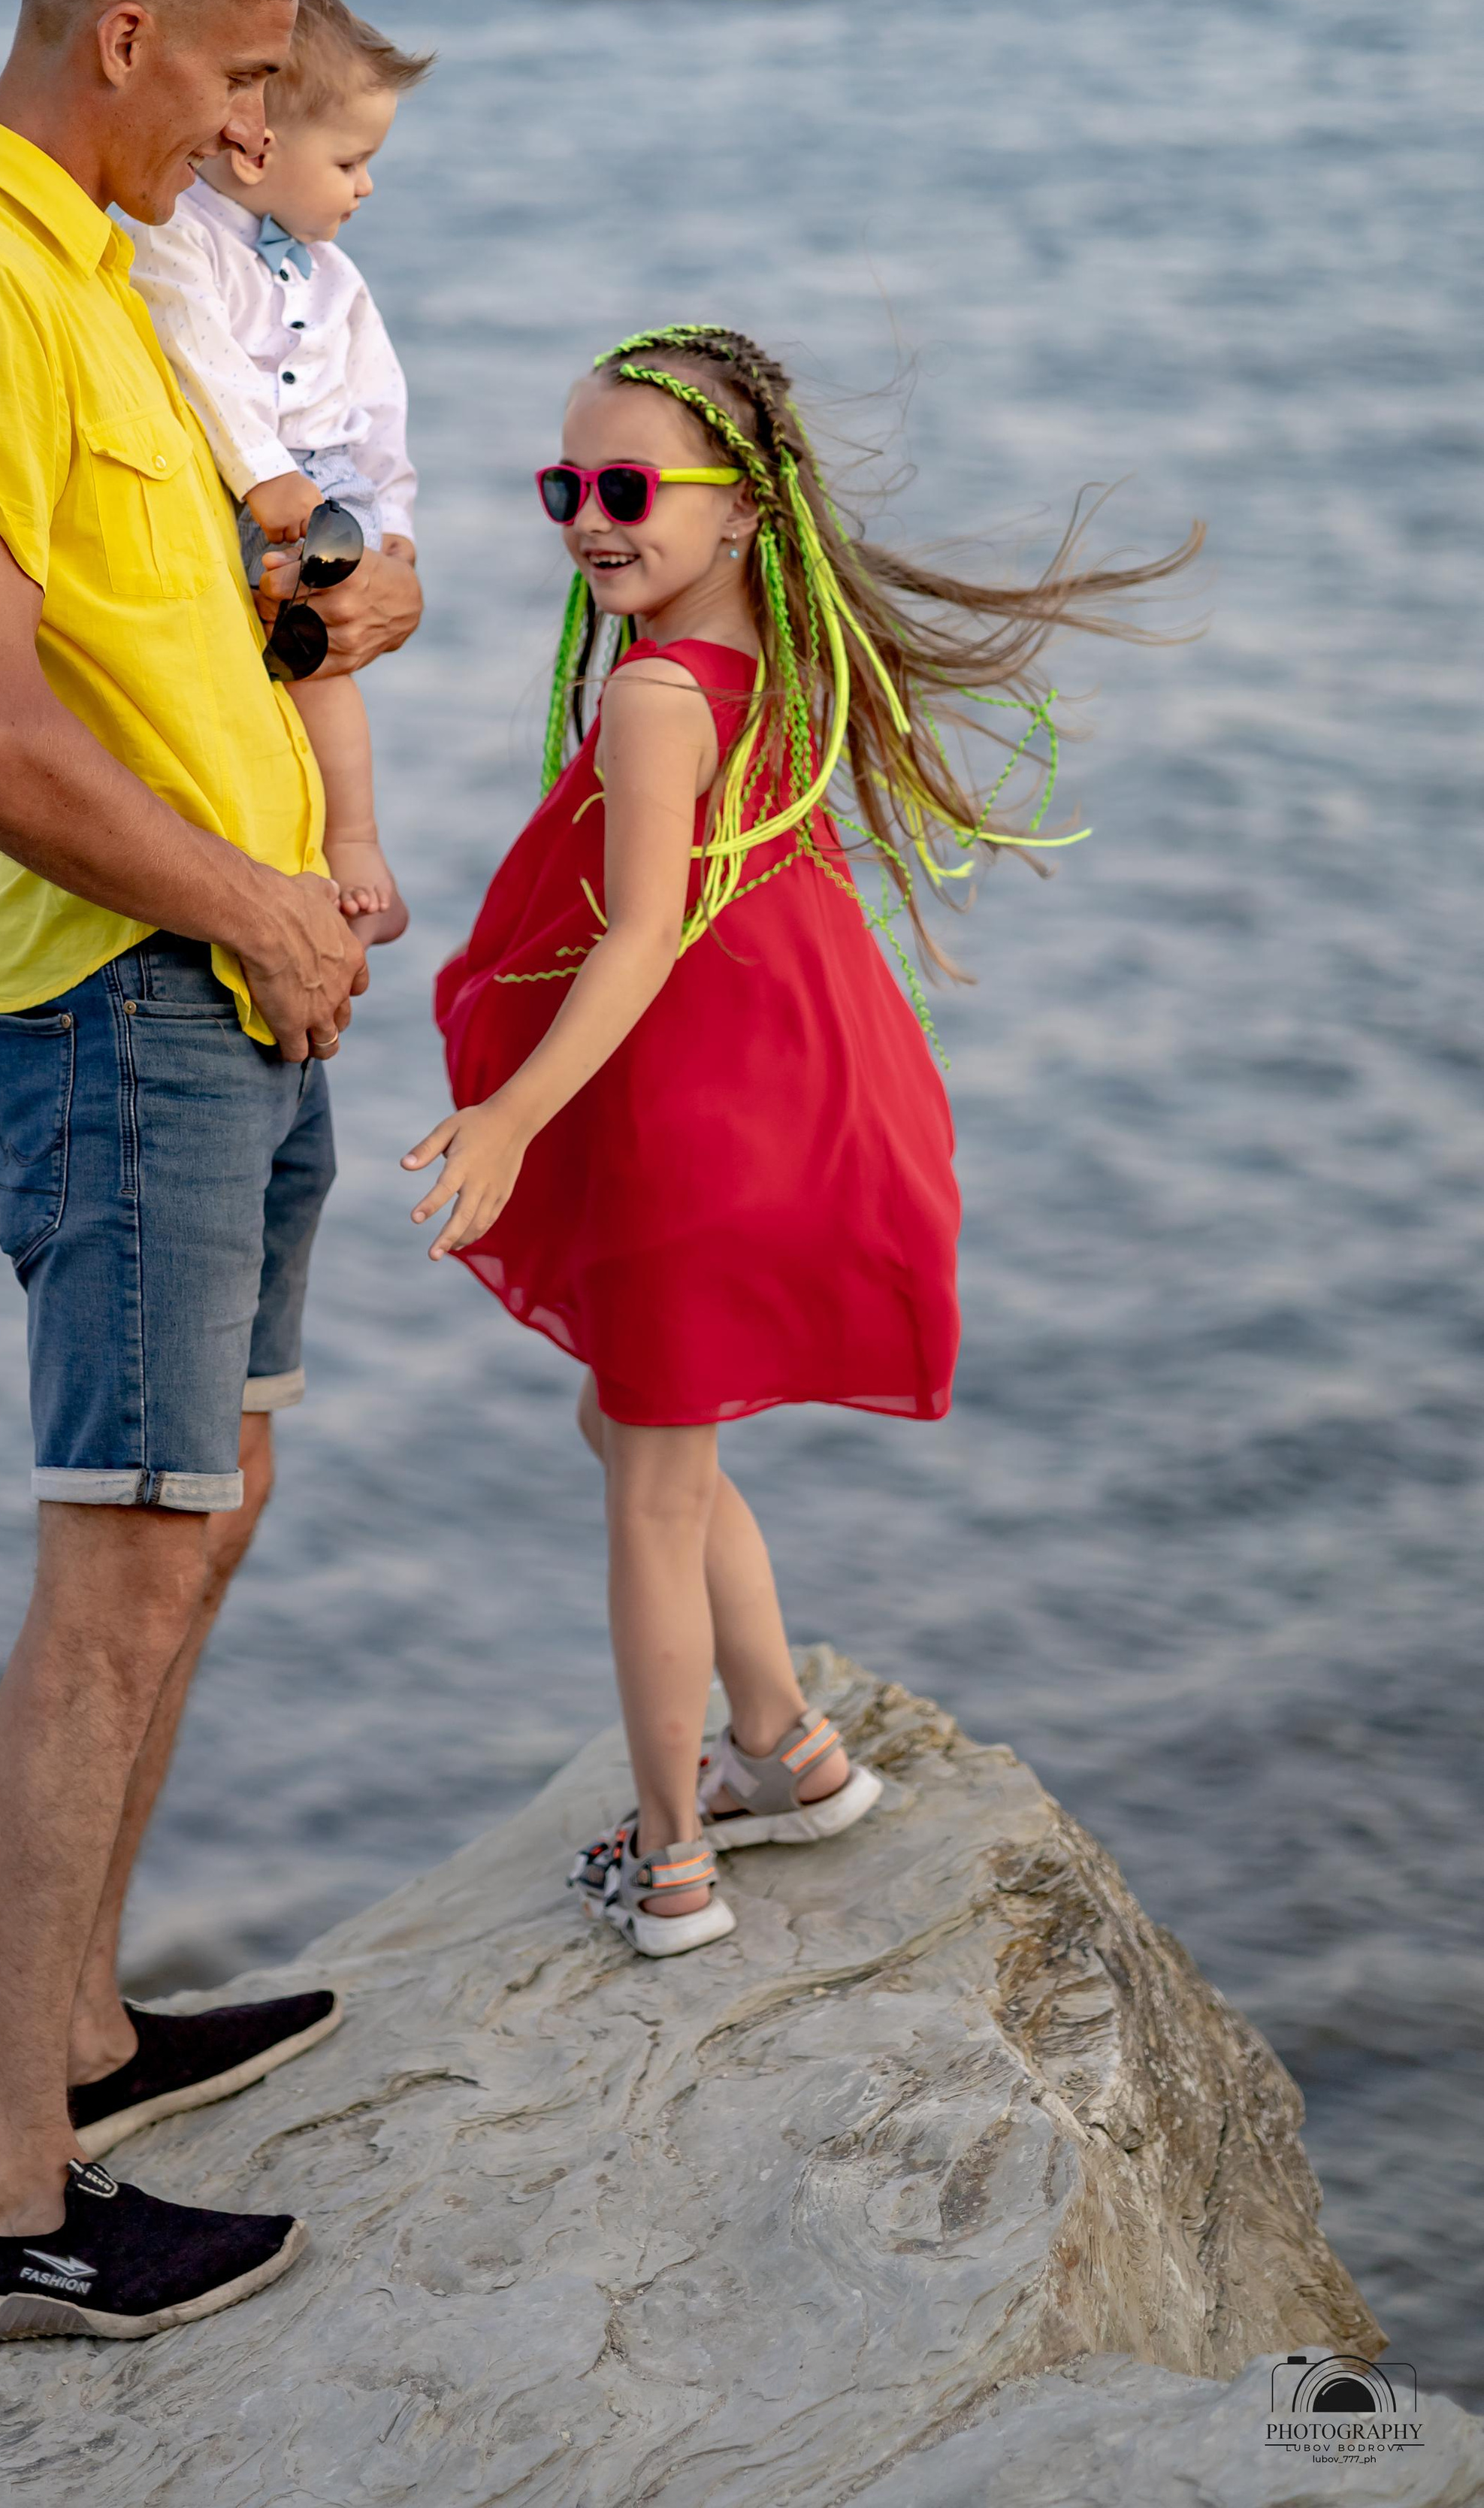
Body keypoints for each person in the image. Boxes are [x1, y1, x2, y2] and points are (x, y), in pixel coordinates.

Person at [0, 0, 421, 2342]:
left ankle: (81, 2033)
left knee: (211, 1503)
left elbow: (194, 621)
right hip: (132, 993)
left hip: (237, 986)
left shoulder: (96, 271)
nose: (258, 135)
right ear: (127, 37)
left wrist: (350, 600)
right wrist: (252, 906)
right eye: (243, 81)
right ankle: (7, 2204)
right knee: (118, 1573)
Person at [406, 324, 1193, 1959]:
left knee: (648, 1489)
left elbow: (637, 936)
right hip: (805, 1107)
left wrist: (509, 1114)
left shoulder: (651, 694)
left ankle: (673, 1865)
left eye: (630, 489)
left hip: (694, 1145)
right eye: (565, 487)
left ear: (745, 507)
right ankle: (785, 1749)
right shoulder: (770, 655)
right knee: (638, 1434)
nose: (588, 519)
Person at [131, 0, 432, 942]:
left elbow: (378, 407)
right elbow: (202, 364)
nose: (365, 186)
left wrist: (395, 527)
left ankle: (352, 842)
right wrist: (266, 475)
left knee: (317, 662)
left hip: (328, 481)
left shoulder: (334, 276)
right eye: (349, 162)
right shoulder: (174, 238)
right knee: (278, 664)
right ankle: (310, 847)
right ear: (256, 149)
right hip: (254, 481)